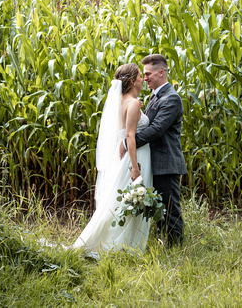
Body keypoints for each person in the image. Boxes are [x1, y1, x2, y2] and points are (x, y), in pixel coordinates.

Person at [71, 63, 153, 254]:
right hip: (135, 158)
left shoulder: (123, 101)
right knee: (128, 201)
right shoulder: (132, 103)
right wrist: (135, 167)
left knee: (124, 201)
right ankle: (123, 246)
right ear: (133, 81)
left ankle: (122, 244)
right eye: (140, 76)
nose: (143, 79)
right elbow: (130, 136)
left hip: (125, 158)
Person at [121, 54, 186, 246]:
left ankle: (176, 249)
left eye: (148, 74)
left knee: (170, 209)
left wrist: (127, 144)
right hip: (154, 163)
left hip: (166, 163)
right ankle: (163, 244)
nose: (145, 77)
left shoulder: (171, 98)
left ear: (161, 72)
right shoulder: (154, 96)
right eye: (145, 74)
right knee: (159, 209)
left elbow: (156, 129)